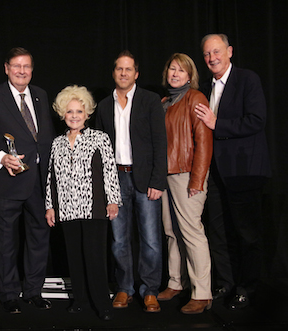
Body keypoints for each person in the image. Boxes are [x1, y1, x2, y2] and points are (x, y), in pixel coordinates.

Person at [0, 47, 55, 314]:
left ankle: (33, 291)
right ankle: (8, 294)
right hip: (8, 181)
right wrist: (0, 158)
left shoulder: (41, 95)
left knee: (39, 239)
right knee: (6, 241)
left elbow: (44, 138)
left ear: (32, 69)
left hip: (40, 182)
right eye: (16, 66)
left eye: (26, 66)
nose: (22, 71)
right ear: (6, 68)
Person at [194, 34, 271, 310]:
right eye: (206, 54)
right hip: (213, 173)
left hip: (243, 171)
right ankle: (225, 282)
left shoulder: (247, 80)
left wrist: (218, 123)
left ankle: (246, 287)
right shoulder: (204, 87)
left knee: (246, 233)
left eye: (216, 52)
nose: (212, 58)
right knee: (218, 231)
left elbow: (256, 120)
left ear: (229, 51)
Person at [96, 50, 167, 313]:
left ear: (136, 74)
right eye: (119, 69)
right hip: (115, 178)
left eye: (128, 69)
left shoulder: (150, 101)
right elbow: (101, 149)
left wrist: (158, 180)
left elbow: (161, 143)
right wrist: (105, 185)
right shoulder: (104, 106)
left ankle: (150, 291)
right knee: (118, 239)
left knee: (150, 239)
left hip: (145, 178)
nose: (123, 73)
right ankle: (124, 288)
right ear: (114, 73)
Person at [45, 85, 122, 321]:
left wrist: (113, 201)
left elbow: (110, 171)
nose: (74, 116)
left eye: (79, 111)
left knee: (95, 258)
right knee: (74, 259)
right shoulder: (57, 143)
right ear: (62, 114)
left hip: (94, 208)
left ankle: (102, 304)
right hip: (67, 209)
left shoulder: (100, 138)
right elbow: (51, 176)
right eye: (70, 112)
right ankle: (80, 301)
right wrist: (50, 206)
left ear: (87, 113)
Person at [157, 53, 213, 314]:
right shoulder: (166, 101)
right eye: (172, 69)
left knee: (192, 232)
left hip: (187, 174)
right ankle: (176, 283)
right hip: (167, 175)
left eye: (181, 70)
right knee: (171, 232)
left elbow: (204, 140)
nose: (175, 73)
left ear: (190, 75)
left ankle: (202, 293)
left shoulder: (195, 98)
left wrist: (197, 179)